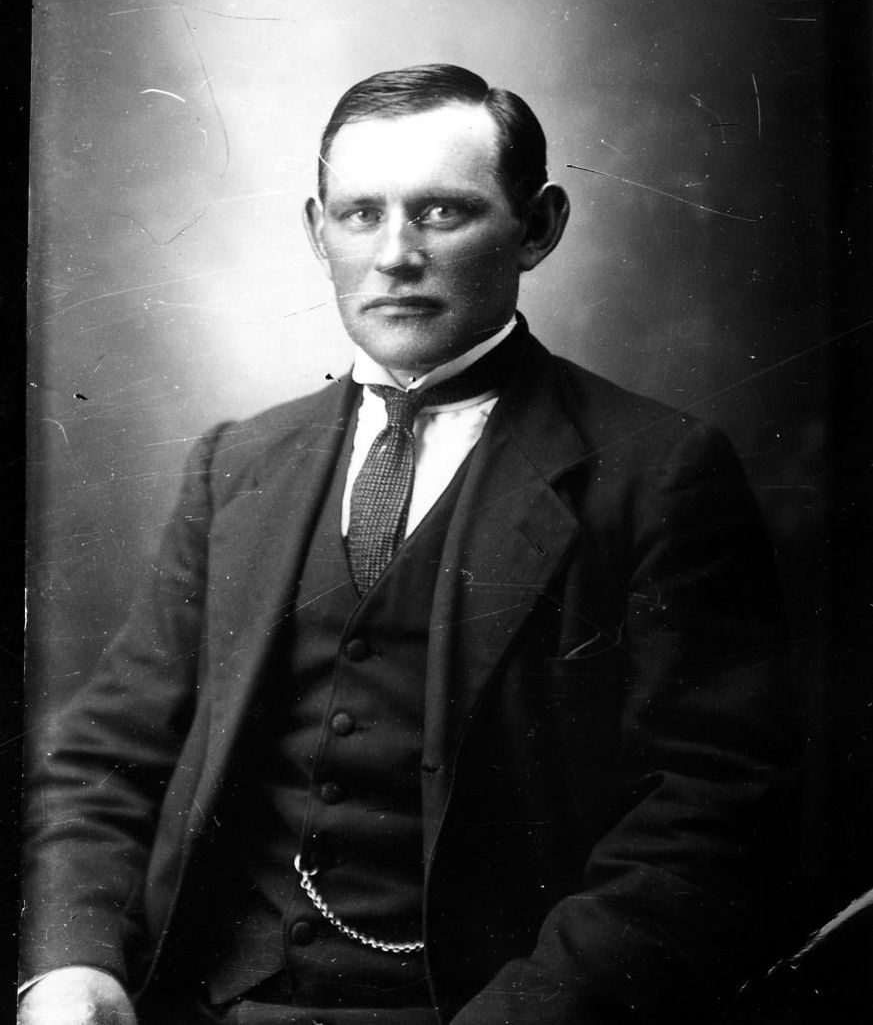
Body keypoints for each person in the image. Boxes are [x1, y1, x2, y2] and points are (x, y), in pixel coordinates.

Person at [19, 64, 794, 1025]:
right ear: (317, 232)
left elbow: (707, 818)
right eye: (360, 215)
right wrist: (73, 966)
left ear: (537, 227)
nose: (394, 255)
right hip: (203, 1002)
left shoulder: (657, 469)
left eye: (441, 212)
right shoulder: (237, 462)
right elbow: (107, 756)